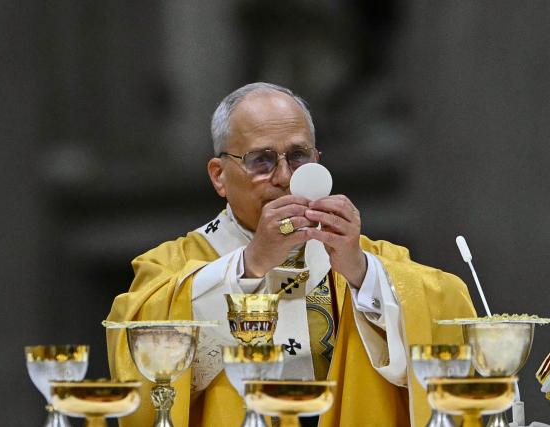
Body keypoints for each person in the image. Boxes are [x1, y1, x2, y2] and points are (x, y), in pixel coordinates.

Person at [106, 82, 476, 427]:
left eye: (298, 156)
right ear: (219, 175)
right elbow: (140, 358)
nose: (284, 176)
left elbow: (446, 311)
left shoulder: (363, 258)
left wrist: (363, 275)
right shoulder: (171, 264)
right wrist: (250, 266)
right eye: (261, 160)